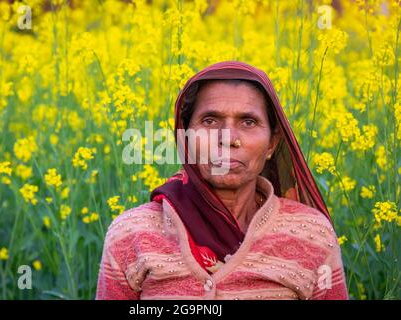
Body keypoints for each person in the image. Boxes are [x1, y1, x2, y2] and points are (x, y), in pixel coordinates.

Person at [96, 61, 348, 300]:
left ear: (272, 143)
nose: (228, 138)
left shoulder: (312, 235)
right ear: (185, 137)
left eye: (248, 122)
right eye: (210, 121)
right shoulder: (132, 234)